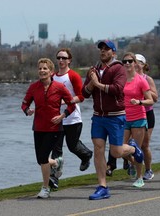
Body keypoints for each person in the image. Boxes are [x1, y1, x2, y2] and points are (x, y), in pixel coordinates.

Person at [82, 40, 143, 200]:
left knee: (116, 153)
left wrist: (97, 83)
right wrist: (91, 84)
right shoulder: (94, 70)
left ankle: (133, 149)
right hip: (98, 116)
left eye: (106, 49)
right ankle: (102, 186)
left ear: (113, 53)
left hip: (115, 116)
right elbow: (85, 92)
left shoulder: (118, 68)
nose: (103, 51)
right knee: (98, 148)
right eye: (101, 49)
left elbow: (117, 89)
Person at [21, 58, 76, 198]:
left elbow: (71, 105)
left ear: (51, 72)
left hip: (54, 128)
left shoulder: (59, 87)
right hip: (38, 127)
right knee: (40, 159)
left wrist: (62, 116)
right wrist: (27, 111)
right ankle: (57, 162)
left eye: (45, 68)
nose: (42, 71)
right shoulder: (33, 87)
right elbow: (24, 104)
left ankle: (45, 188)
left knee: (43, 158)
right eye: (40, 68)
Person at [50, 48, 93, 188]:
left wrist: (65, 101)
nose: (61, 60)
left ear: (69, 60)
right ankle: (54, 178)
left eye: (64, 58)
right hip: (56, 119)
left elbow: (81, 97)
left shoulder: (73, 76)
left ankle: (86, 155)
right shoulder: (52, 77)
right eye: (59, 58)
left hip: (73, 118)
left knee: (72, 146)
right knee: (56, 149)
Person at [122, 52, 154, 187]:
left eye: (130, 61)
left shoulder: (141, 80)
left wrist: (139, 102)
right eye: (125, 61)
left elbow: (150, 100)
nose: (127, 64)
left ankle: (140, 177)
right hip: (124, 117)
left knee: (137, 148)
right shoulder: (121, 79)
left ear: (135, 63)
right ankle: (133, 164)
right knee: (119, 149)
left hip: (138, 118)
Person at [135, 54, 158, 180]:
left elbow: (155, 97)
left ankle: (148, 170)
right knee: (128, 143)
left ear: (143, 65)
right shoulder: (128, 79)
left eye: (138, 62)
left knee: (144, 144)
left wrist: (145, 91)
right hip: (132, 113)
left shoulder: (147, 79)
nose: (135, 64)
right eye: (133, 61)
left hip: (147, 113)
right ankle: (132, 164)